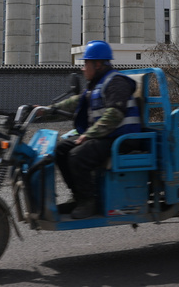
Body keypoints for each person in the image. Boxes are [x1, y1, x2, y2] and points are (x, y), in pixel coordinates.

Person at [46, 40, 140, 219]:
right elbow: (77, 101)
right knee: (60, 149)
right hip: (109, 136)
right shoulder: (99, 84)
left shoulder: (116, 82)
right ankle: (78, 197)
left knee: (77, 155)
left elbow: (114, 115)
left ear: (98, 64)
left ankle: (89, 201)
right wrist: (48, 110)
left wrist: (88, 135)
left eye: (85, 64)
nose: (83, 68)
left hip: (124, 139)